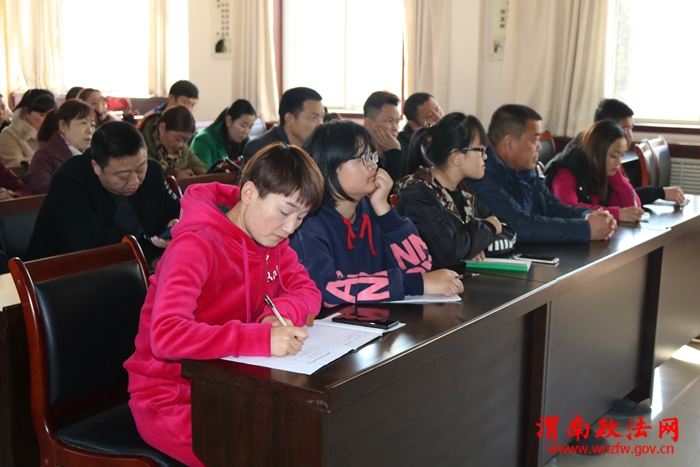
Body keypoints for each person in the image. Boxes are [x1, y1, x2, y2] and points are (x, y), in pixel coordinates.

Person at [124, 142, 324, 467]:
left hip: (236, 387)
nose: (290, 228)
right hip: (172, 398)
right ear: (249, 193)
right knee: (264, 454)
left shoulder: (270, 240)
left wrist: (278, 316)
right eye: (285, 212)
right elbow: (165, 335)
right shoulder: (195, 245)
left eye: (301, 218)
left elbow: (309, 291)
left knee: (308, 439)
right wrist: (259, 338)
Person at [290, 120, 463, 305]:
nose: (373, 166)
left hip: (378, 317)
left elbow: (420, 266)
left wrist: (384, 210)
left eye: (372, 156)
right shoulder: (307, 223)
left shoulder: (373, 209)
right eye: (362, 159)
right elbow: (327, 289)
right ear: (327, 167)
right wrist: (413, 284)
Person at [24, 121, 180, 262]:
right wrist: (145, 247)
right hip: (63, 272)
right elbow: (93, 243)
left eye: (140, 169)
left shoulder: (153, 171)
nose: (134, 181)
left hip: (137, 264)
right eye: (123, 176)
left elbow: (174, 211)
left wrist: (172, 224)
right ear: (96, 167)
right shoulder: (68, 181)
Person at [467, 104, 617, 243]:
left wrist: (589, 215)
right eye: (535, 140)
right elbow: (518, 225)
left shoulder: (526, 167)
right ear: (509, 142)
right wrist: (585, 229)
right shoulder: (481, 171)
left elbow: (551, 207)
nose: (539, 147)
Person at [395, 113, 502, 269]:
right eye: (480, 150)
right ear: (456, 157)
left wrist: (472, 244)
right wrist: (486, 232)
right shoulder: (418, 196)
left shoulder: (465, 192)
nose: (485, 157)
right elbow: (448, 253)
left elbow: (505, 228)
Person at [544, 120, 645, 223]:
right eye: (614, 155)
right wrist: (617, 214)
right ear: (596, 153)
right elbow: (567, 207)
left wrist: (617, 176)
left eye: (622, 155)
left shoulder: (604, 169)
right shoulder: (567, 170)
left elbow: (633, 208)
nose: (619, 162)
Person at [593, 98, 685, 205]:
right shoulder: (592, 161)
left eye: (631, 128)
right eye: (625, 129)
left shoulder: (614, 161)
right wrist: (659, 193)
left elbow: (627, 199)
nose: (630, 136)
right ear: (606, 129)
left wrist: (659, 192)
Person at [27, 100, 96, 194]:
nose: (90, 130)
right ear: (63, 126)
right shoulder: (44, 154)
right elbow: (43, 191)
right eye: (83, 123)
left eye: (92, 125)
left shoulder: (93, 154)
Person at [242, 87, 324, 164]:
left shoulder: (317, 146)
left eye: (322, 117)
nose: (320, 124)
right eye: (314, 117)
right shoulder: (261, 149)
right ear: (289, 119)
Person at [140, 106, 208, 178]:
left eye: (185, 141)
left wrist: (195, 172)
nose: (181, 145)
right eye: (178, 139)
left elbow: (203, 168)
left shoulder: (183, 150)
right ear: (162, 127)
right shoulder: (141, 146)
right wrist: (173, 175)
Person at [190, 99, 257, 166]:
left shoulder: (245, 139)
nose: (247, 131)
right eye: (243, 125)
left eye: (250, 127)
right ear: (229, 120)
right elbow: (203, 172)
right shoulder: (203, 140)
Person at [0, 89, 56, 166]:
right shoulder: (9, 134)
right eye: (42, 115)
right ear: (26, 112)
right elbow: (15, 165)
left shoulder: (57, 132)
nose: (48, 119)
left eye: (51, 114)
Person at [363, 91, 405, 181]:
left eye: (397, 122)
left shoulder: (402, 147)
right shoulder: (359, 156)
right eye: (389, 121)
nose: (395, 128)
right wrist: (394, 152)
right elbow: (388, 185)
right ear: (368, 123)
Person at [397, 92, 445, 157]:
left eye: (438, 109)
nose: (438, 117)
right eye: (429, 115)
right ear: (414, 124)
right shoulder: (404, 146)